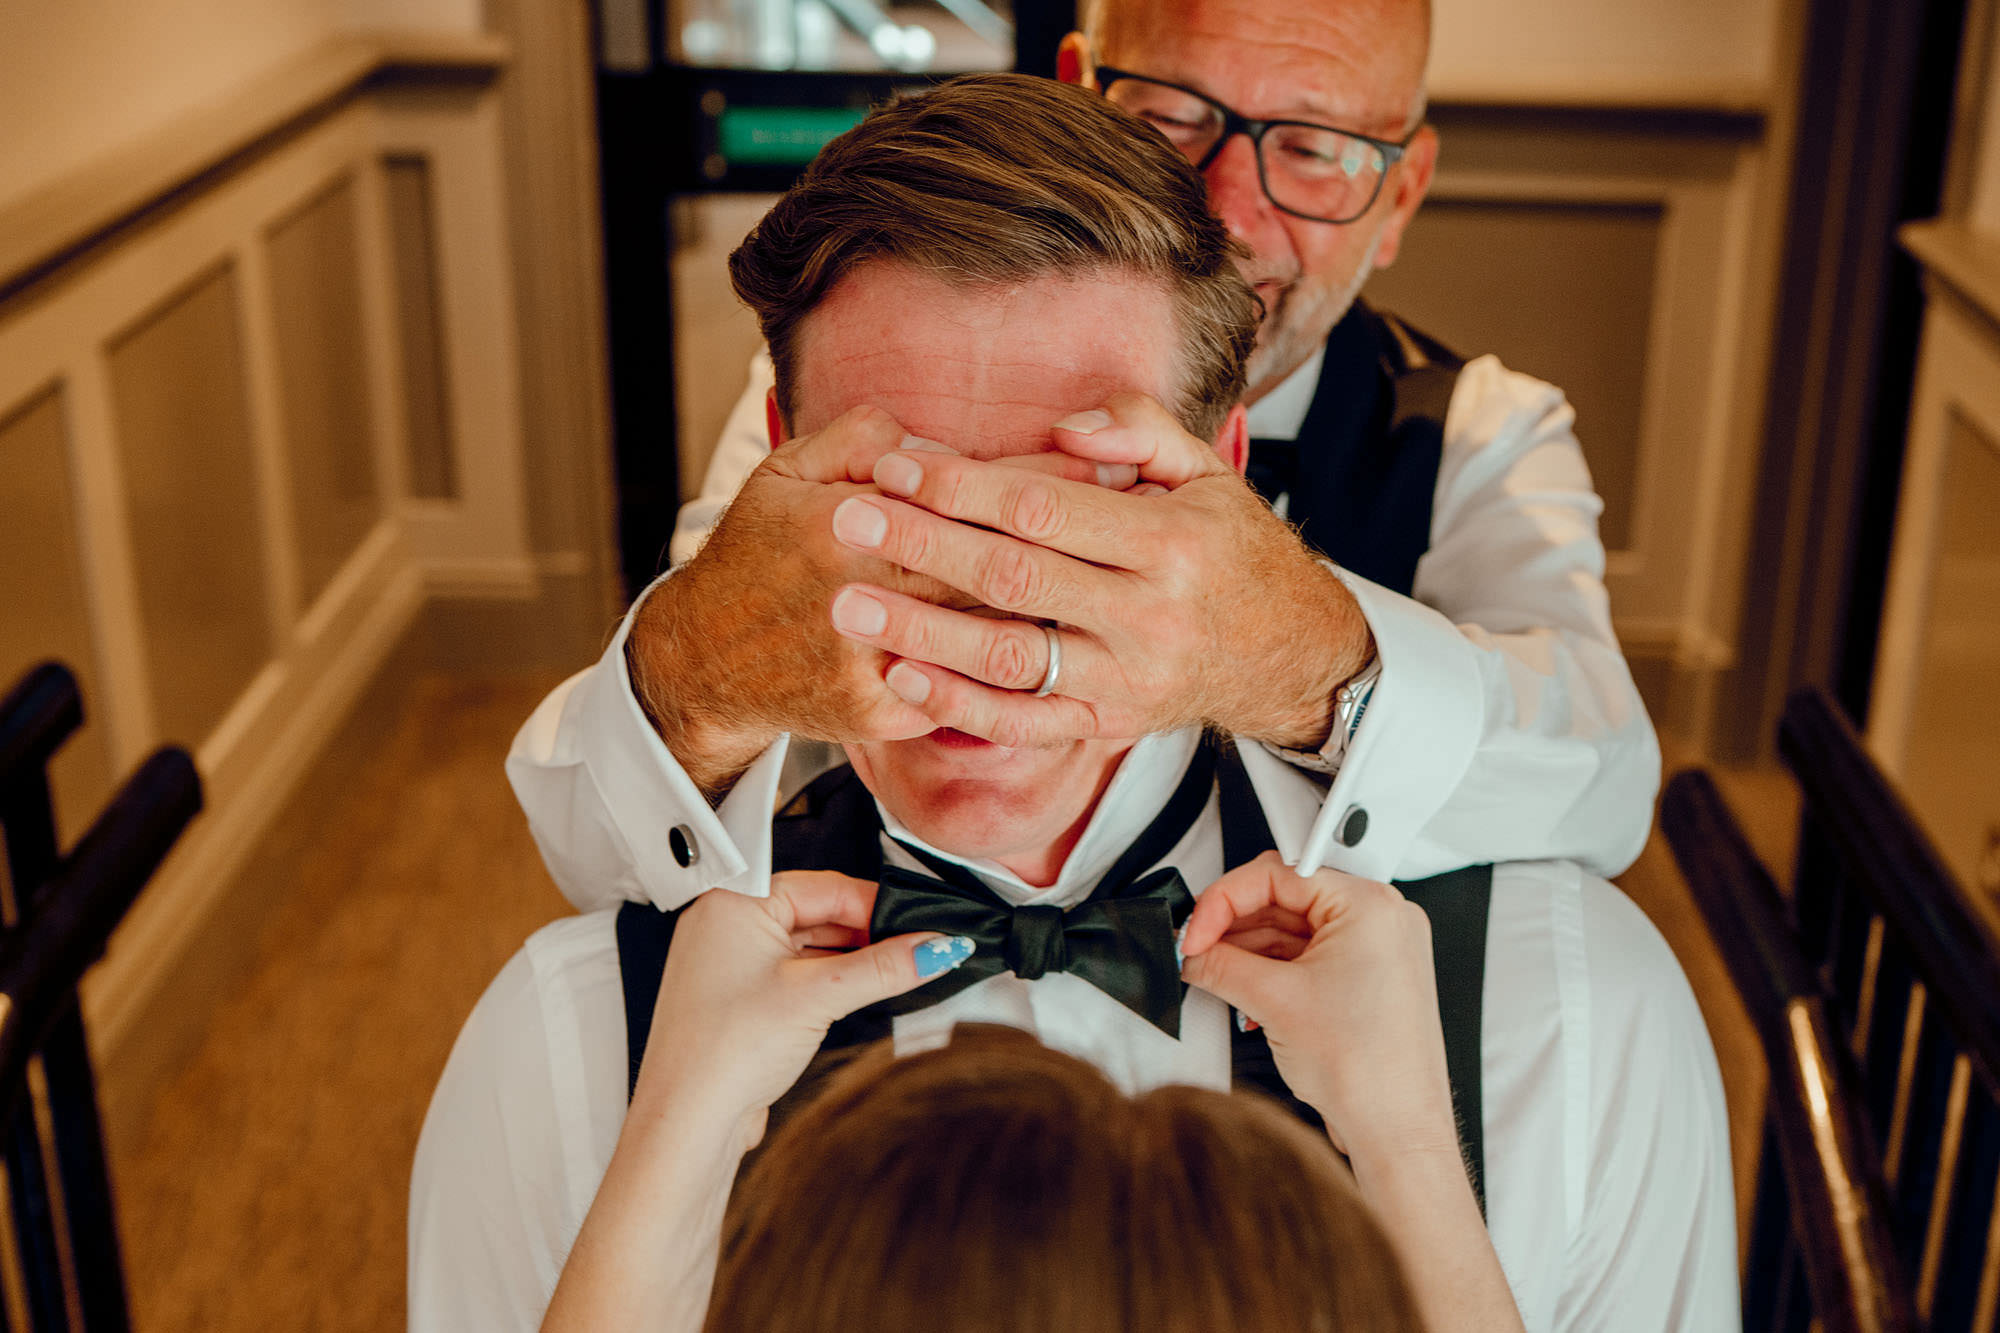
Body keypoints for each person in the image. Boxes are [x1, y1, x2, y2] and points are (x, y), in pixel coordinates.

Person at [414, 76, 1737, 1333]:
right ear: (776, 482)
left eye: (1074, 516)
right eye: (898, 511)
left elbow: (1603, 767)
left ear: (1221, 475)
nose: (980, 623)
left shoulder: (1569, 1016)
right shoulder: (570, 1050)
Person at [520, 0, 1660, 918]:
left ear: (1397, 192)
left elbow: (1599, 789)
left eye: (1311, 150)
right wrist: (704, 675)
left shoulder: (1481, 432)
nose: (1223, 214)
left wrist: (1294, 660)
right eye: (1168, 118)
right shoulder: (828, 398)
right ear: (1080, 86)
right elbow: (608, 855)